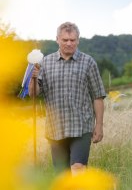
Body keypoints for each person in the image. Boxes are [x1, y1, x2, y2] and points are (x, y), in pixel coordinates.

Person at [28, 22, 106, 175]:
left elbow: (98, 96)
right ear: (57, 39)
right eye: (65, 40)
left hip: (81, 127)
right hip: (55, 128)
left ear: (78, 40)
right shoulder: (44, 63)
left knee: (78, 169)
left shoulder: (88, 62)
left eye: (72, 40)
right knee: (62, 177)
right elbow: (34, 94)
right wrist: (33, 78)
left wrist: (99, 126)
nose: (69, 43)